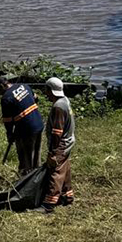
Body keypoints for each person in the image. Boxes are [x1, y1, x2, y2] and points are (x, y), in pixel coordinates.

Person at [0, 76, 44, 175]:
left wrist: (10, 135)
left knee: (25, 158)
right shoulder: (24, 86)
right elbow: (36, 98)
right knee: (36, 154)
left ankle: (26, 180)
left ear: (2, 86)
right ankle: (37, 176)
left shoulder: (6, 98)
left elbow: (8, 122)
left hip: (27, 129)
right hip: (38, 123)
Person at [41, 77, 77, 213]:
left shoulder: (58, 107)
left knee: (55, 171)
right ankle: (67, 196)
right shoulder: (65, 101)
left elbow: (57, 132)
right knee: (64, 169)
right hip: (68, 142)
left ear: (50, 90)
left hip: (61, 144)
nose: (46, 93)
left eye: (46, 90)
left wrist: (53, 152)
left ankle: (49, 203)